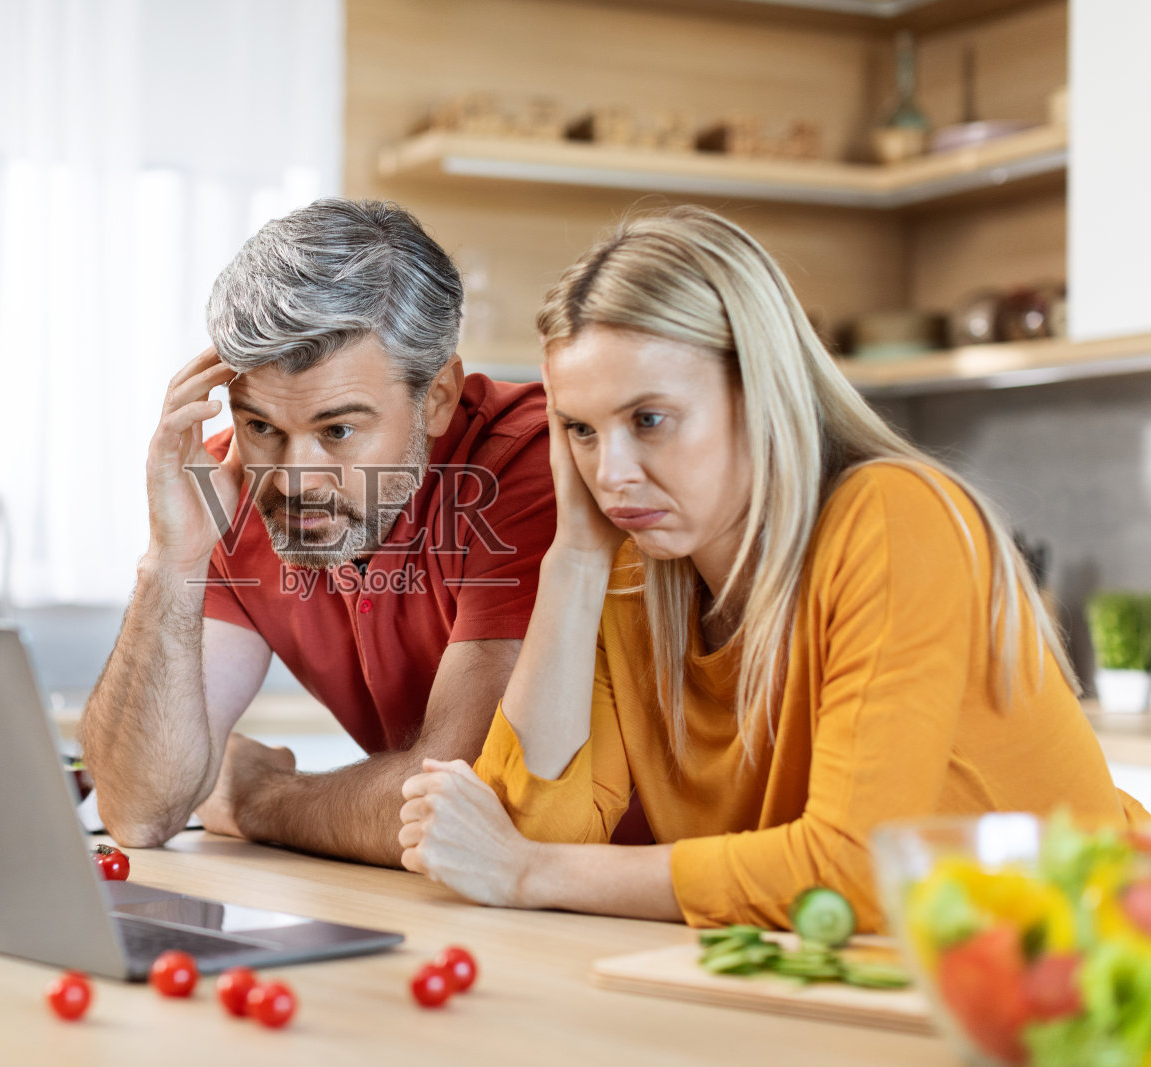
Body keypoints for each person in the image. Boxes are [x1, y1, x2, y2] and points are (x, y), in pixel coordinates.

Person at [396, 205, 1147, 930]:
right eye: (581, 430)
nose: (612, 472)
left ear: (759, 392)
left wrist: (532, 873)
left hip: (1093, 964)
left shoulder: (893, 518)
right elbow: (522, 823)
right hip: (889, 984)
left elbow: (852, 868)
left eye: (648, 420)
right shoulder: (634, 572)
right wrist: (577, 557)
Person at [80, 198, 557, 867]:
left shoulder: (527, 465)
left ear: (439, 397)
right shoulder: (225, 481)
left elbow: (465, 803)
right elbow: (138, 809)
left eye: (338, 430)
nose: (295, 480)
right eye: (261, 426)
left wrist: (257, 797)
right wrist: (171, 559)